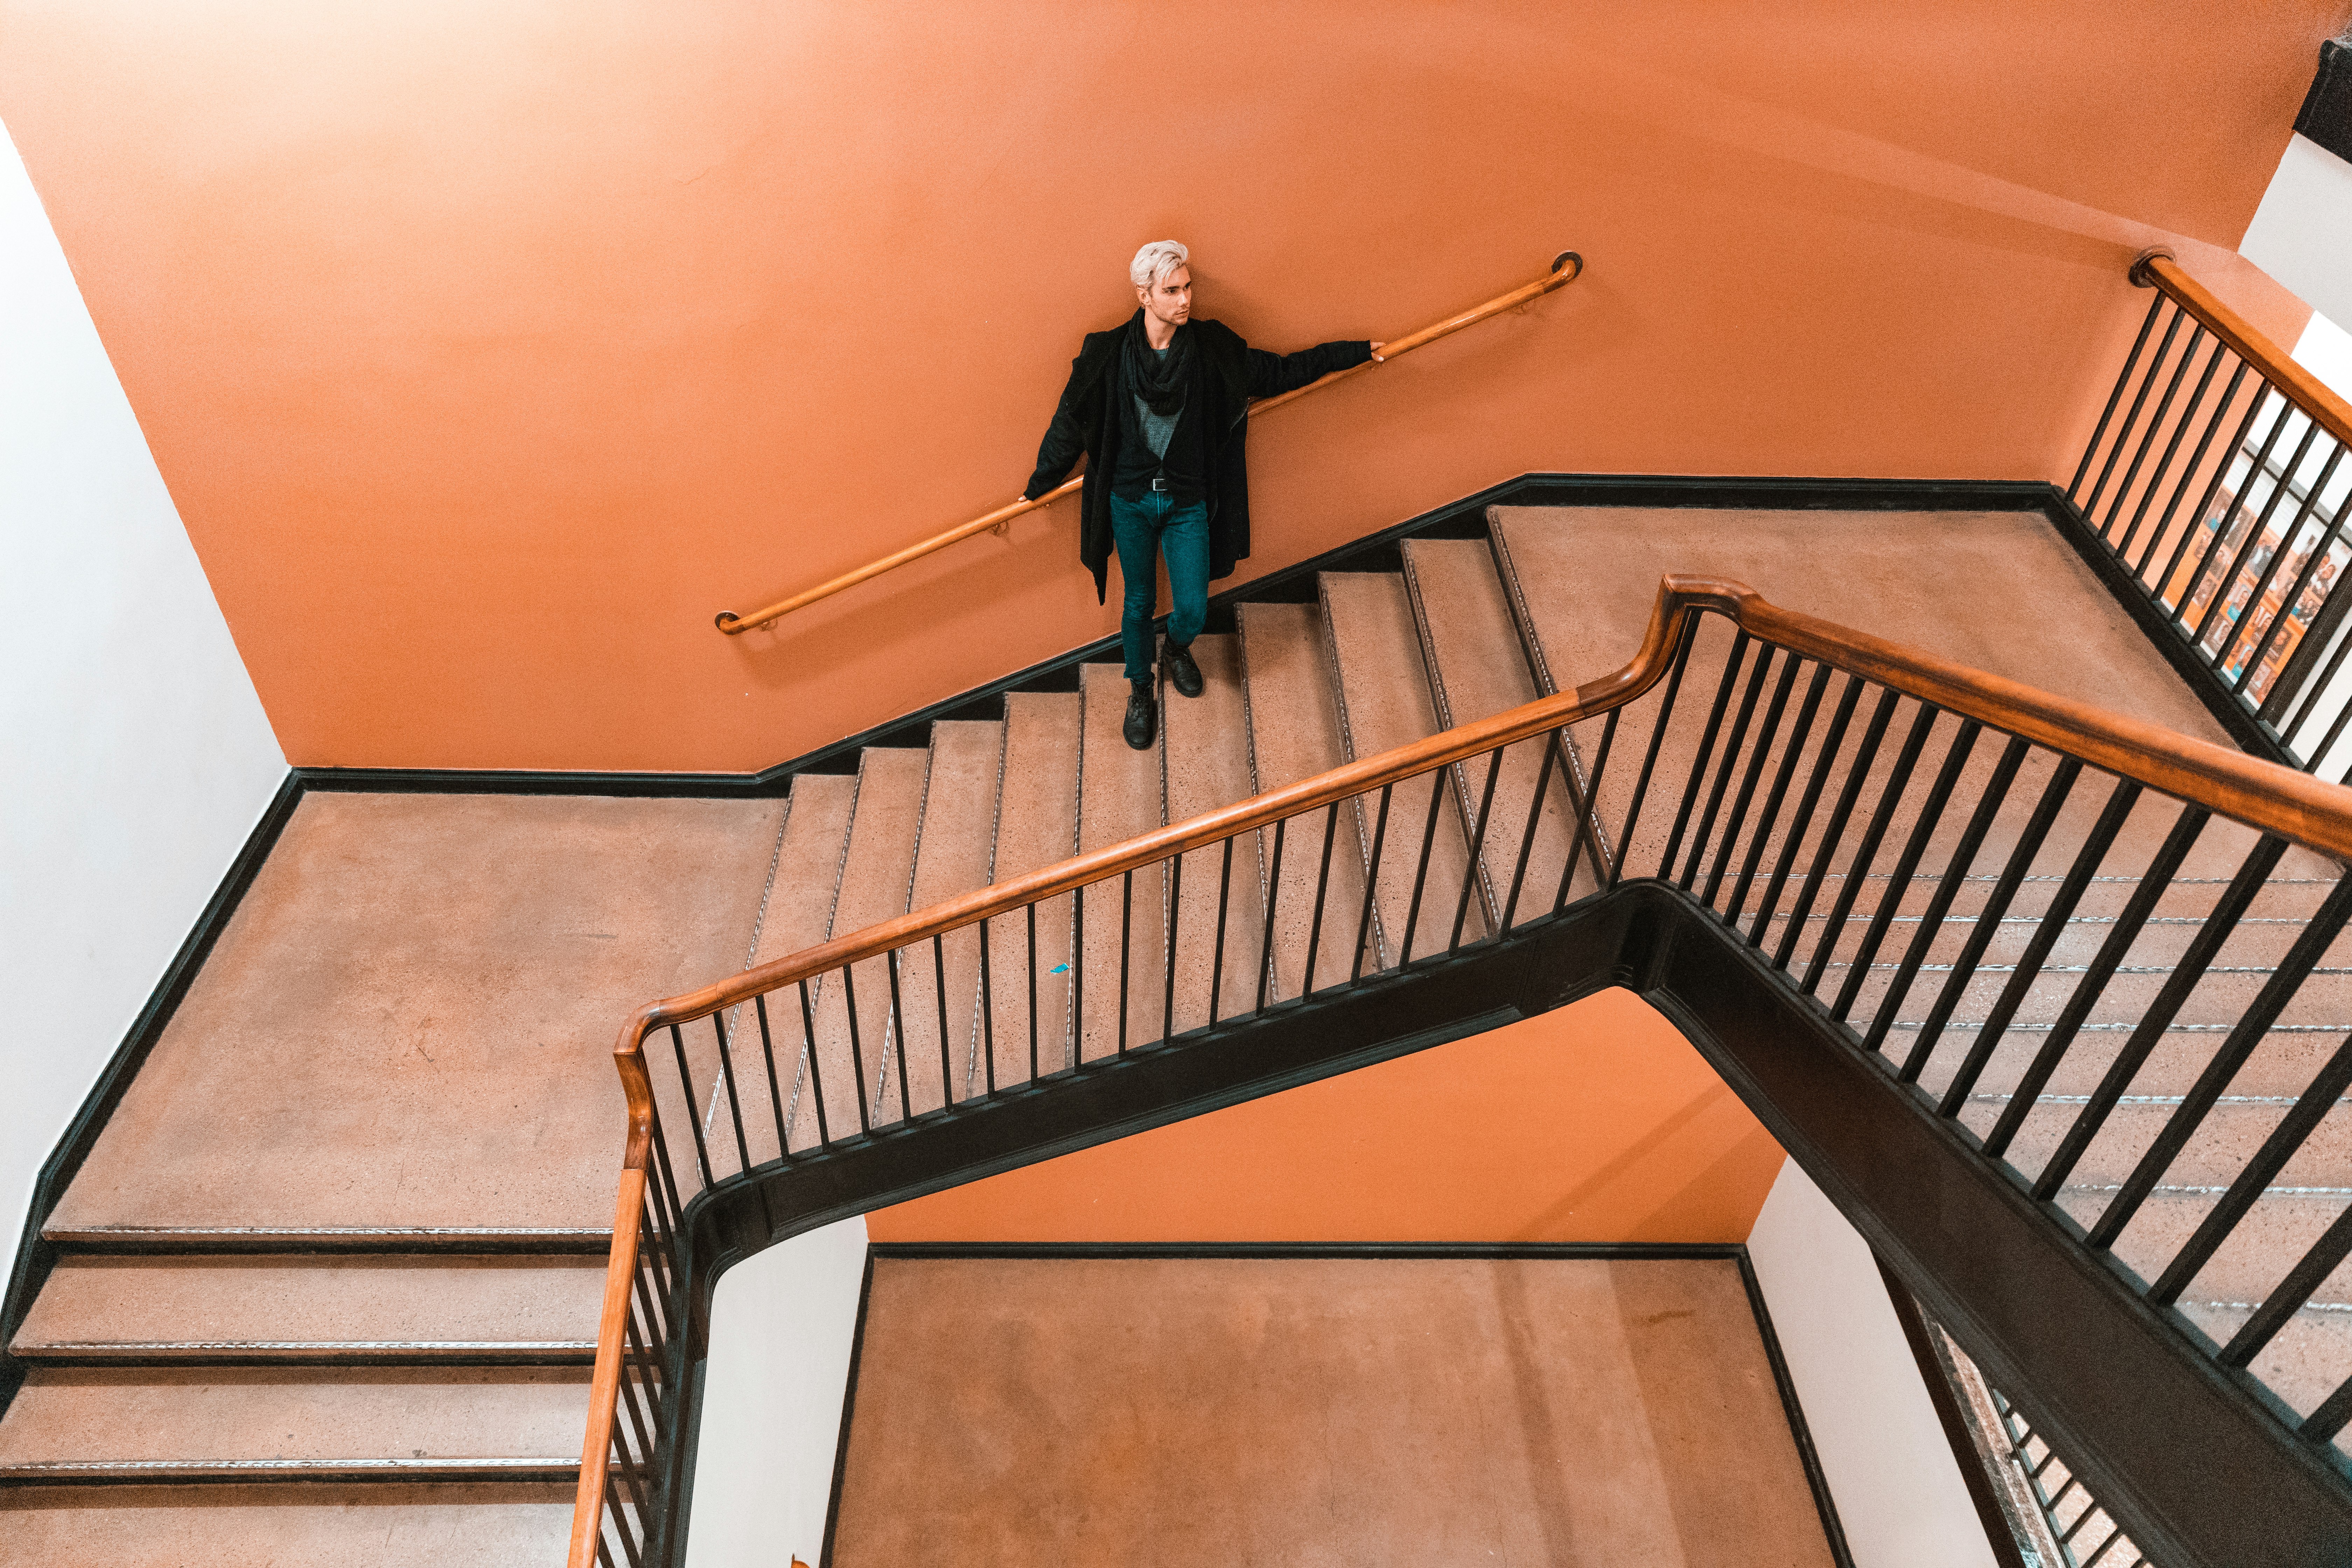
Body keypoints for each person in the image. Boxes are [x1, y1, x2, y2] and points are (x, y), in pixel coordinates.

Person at [1022, 240, 1384, 749]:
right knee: (1139, 603)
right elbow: (1069, 423)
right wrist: (1038, 486)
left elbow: (1278, 372)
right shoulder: (1106, 355)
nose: (1186, 299)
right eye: (1172, 291)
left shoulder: (1212, 349)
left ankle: (1178, 649)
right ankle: (1141, 690)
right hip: (1129, 502)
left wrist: (1354, 353)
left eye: (1188, 287)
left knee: (1191, 605)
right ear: (1145, 296)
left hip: (1187, 501)